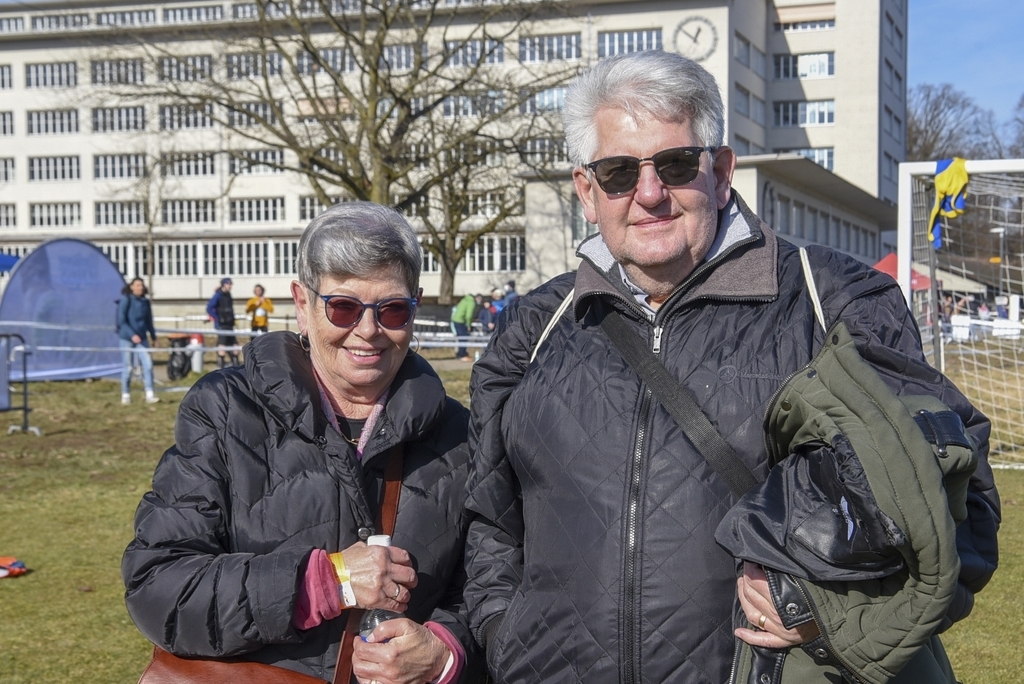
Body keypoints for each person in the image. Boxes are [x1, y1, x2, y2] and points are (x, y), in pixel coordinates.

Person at [463, 51, 1000, 683]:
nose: (651, 194)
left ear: (719, 173)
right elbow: (489, 521)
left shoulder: (834, 300)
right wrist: (508, 637)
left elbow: (957, 502)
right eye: (618, 172)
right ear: (587, 191)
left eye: (676, 163)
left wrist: (825, 607)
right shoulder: (536, 324)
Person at [123, 202, 485, 684]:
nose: (369, 330)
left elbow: (494, 588)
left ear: (415, 305)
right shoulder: (225, 410)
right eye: (344, 307)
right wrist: (325, 582)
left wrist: (446, 651)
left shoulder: (459, 433)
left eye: (392, 309)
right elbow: (158, 585)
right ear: (302, 301)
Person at [116, 277, 159, 405]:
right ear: (132, 287)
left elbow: (149, 321)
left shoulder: (145, 302)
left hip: (142, 338)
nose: (140, 287)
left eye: (142, 285)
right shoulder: (126, 301)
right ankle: (126, 394)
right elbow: (121, 321)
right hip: (127, 339)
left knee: (148, 365)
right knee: (128, 367)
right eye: (137, 285)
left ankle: (150, 393)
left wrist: (154, 337)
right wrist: (132, 334)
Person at [206, 277, 239, 367]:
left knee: (234, 344)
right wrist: (217, 318)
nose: (230, 286)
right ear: (224, 284)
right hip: (221, 324)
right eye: (228, 284)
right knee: (222, 343)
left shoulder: (228, 295)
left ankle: (236, 363)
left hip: (229, 323)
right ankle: (221, 364)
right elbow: (209, 308)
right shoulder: (218, 295)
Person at [451, 292, 477, 361]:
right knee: (464, 338)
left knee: (460, 338)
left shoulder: (464, 299)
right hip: (461, 321)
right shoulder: (471, 302)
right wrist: (469, 325)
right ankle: (462, 355)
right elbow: (469, 315)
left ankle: (460, 353)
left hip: (455, 319)